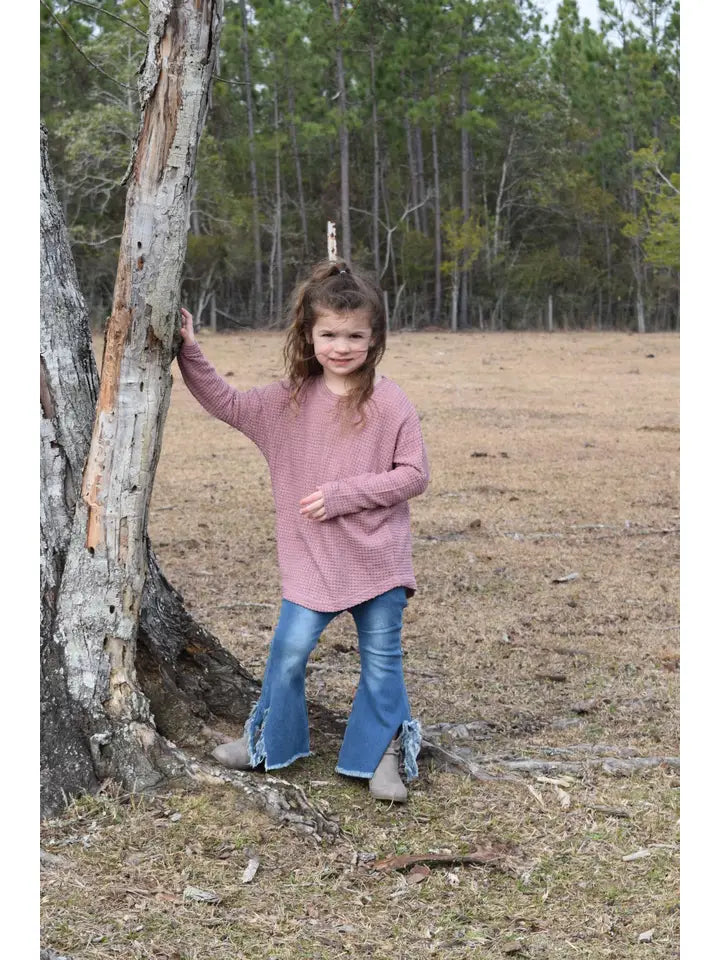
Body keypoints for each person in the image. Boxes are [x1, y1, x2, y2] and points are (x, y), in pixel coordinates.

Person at [176, 260, 429, 802]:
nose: (342, 346)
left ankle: (382, 755)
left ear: (375, 337)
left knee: (381, 663)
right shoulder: (286, 401)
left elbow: (414, 474)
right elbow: (226, 402)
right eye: (329, 334)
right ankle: (267, 740)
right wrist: (187, 348)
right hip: (311, 561)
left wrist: (343, 495)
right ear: (309, 335)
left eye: (355, 335)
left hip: (378, 559)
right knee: (288, 653)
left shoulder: (391, 401)